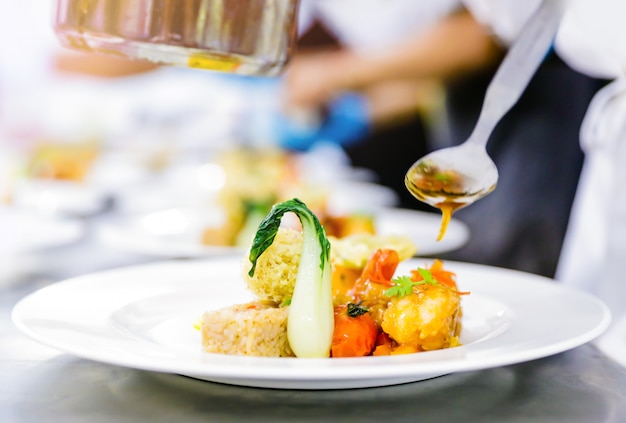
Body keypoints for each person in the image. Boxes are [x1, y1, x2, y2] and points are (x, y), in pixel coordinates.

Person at [281, 2, 601, 278]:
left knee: (512, 262)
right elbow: (435, 72)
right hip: (471, 116)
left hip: (543, 119)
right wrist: (363, 109)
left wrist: (332, 73)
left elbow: (477, 35)